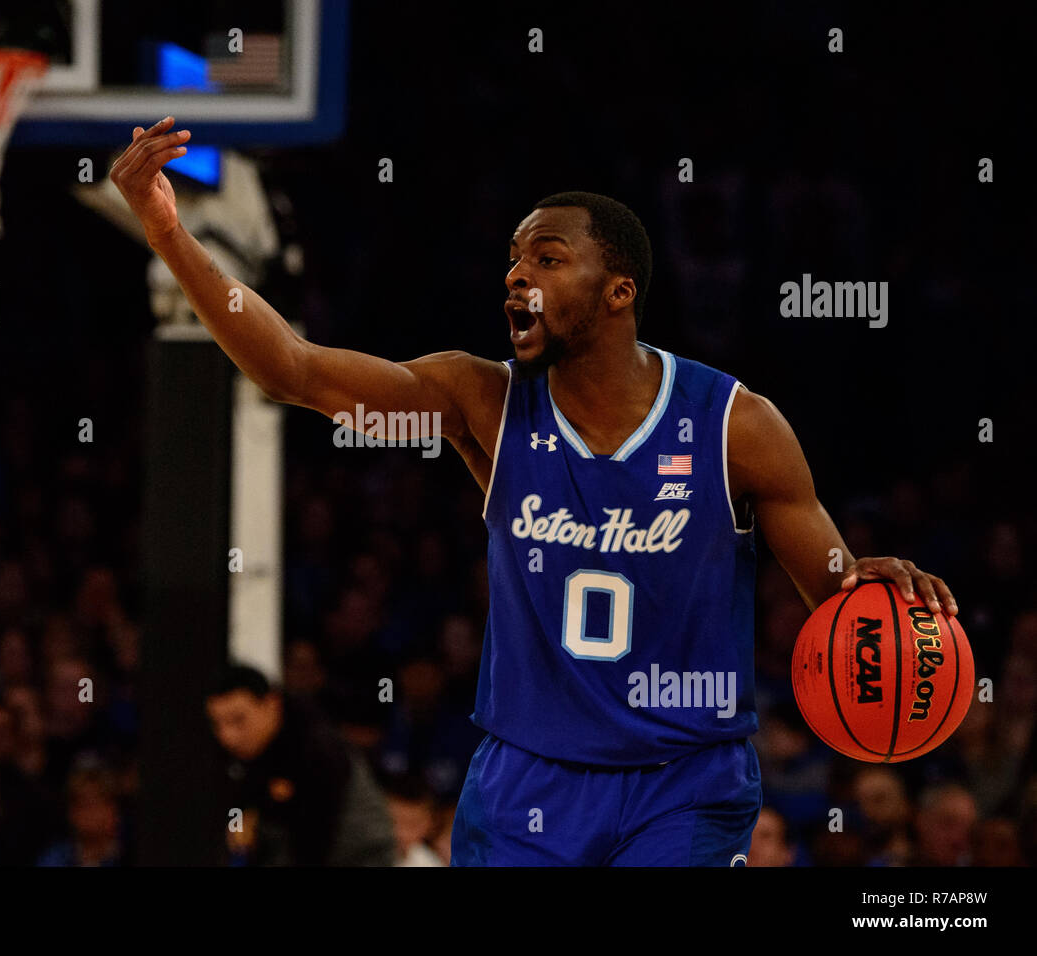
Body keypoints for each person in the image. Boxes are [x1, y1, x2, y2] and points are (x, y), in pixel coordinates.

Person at [110, 120, 958, 866]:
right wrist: (168, 232)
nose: (518, 276)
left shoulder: (735, 424)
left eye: (547, 258)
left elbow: (839, 604)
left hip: (685, 780)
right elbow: (296, 372)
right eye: (513, 259)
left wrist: (867, 585)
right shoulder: (481, 400)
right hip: (526, 781)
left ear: (618, 292)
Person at [205, 665, 394, 866]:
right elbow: (242, 819)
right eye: (218, 724)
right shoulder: (240, 754)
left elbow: (314, 841)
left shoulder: (316, 747)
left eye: (238, 720)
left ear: (271, 704)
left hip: (356, 854)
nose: (228, 736)